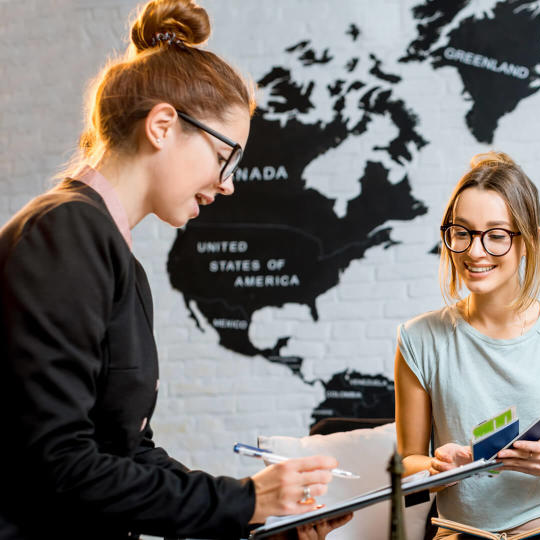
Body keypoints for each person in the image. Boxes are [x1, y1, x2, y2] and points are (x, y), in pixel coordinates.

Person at [0, 1, 351, 538]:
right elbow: (59, 463)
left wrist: (259, 512)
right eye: (225, 156)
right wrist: (243, 501)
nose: (228, 182)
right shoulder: (65, 233)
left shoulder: (113, 253)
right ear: (163, 125)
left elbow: (129, 451)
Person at [394, 152, 540, 539]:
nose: (475, 252)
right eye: (462, 233)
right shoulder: (418, 340)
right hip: (462, 531)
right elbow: (407, 461)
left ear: (528, 241)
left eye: (496, 235)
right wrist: (433, 468)